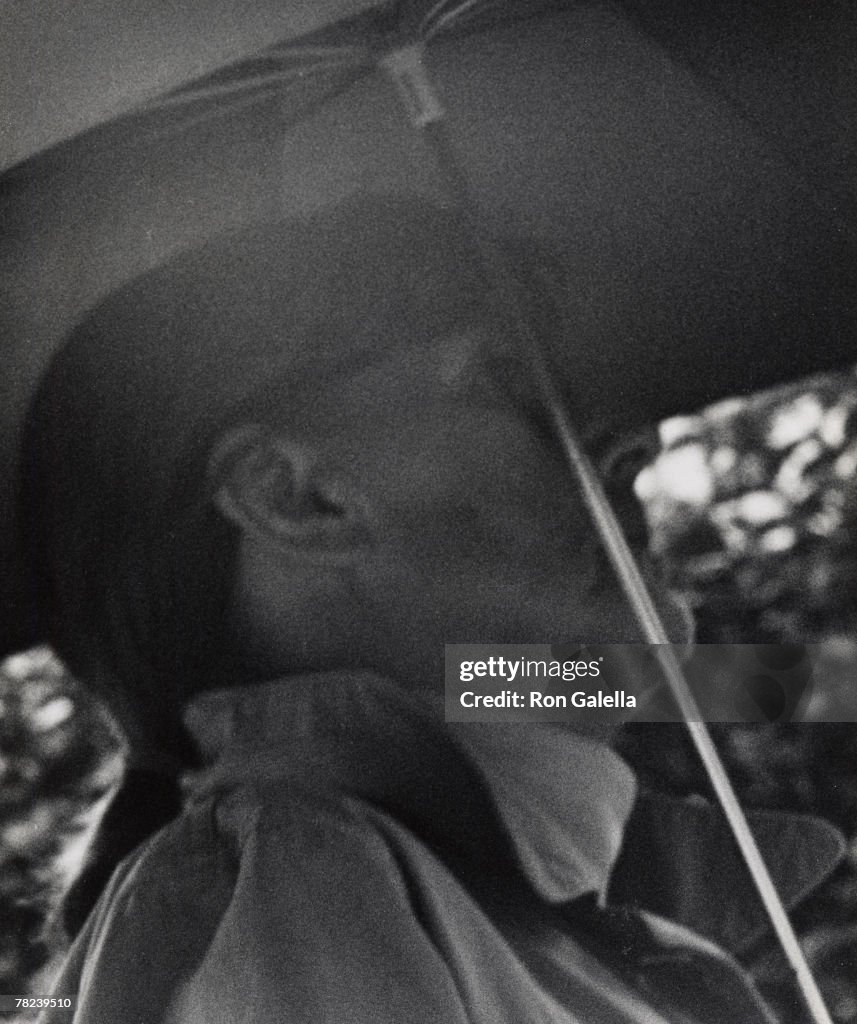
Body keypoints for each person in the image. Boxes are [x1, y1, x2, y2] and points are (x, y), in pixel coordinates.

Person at [24, 196, 841, 1023]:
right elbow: (781, 683)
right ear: (298, 498)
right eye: (507, 383)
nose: (637, 442)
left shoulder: (416, 848)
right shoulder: (313, 883)